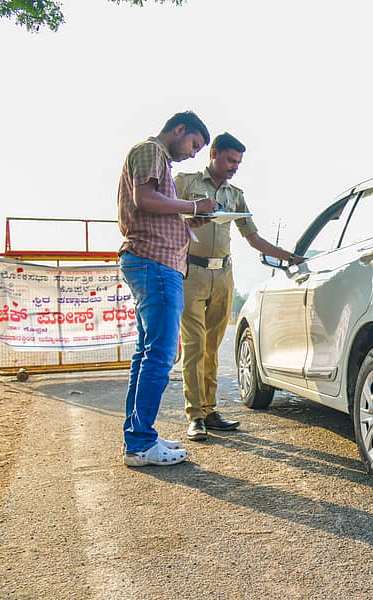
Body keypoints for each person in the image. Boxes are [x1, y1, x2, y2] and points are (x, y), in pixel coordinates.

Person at [174, 132, 302, 441]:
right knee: (193, 345)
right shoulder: (186, 181)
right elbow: (165, 217)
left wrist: (289, 256)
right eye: (230, 160)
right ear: (214, 153)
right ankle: (195, 416)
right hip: (192, 272)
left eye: (239, 163)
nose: (234, 167)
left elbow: (253, 237)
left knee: (212, 347)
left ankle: (210, 410)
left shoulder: (235, 194)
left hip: (223, 274)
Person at [116, 111, 218, 467]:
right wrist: (192, 204)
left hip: (155, 263)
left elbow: (155, 207)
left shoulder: (159, 160)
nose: (193, 153)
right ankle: (141, 443)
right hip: (154, 263)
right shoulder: (150, 151)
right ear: (178, 130)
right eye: (194, 144)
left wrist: (189, 219)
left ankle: (139, 435)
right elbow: (144, 199)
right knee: (159, 356)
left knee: (147, 355)